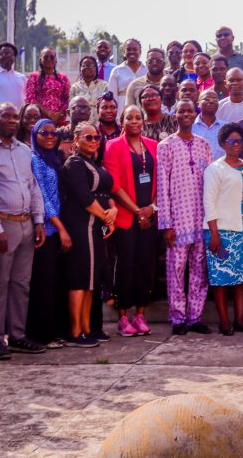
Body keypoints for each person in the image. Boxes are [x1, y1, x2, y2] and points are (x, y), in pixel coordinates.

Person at [0, 103, 46, 359]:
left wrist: (39, 220)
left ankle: (17, 335)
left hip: (26, 223)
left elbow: (33, 186)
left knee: (21, 284)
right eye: (6, 116)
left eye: (16, 117)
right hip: (2, 224)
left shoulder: (24, 150)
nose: (13, 121)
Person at [156, 100, 213, 335]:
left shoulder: (204, 145)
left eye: (190, 110)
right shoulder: (166, 145)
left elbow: (210, 183)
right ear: (176, 115)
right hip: (178, 220)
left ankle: (195, 317)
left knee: (200, 269)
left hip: (201, 217)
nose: (186, 114)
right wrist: (166, 224)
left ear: (195, 113)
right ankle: (178, 318)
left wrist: (212, 220)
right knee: (176, 270)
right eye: (182, 111)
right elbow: (162, 186)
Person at [58, 122, 117, 347]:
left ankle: (86, 328)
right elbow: (85, 198)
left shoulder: (94, 163)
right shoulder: (74, 164)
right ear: (76, 139)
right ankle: (75, 332)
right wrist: (106, 217)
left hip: (95, 226)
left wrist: (112, 211)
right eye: (88, 137)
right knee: (79, 279)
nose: (93, 141)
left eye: (96, 138)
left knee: (91, 280)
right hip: (80, 226)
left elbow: (106, 193)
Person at [103, 106, 159, 338]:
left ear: (143, 121)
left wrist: (151, 208)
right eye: (129, 118)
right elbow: (114, 185)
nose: (134, 121)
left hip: (149, 216)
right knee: (125, 265)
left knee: (145, 265)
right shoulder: (113, 146)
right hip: (127, 217)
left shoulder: (153, 146)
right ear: (121, 121)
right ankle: (123, 317)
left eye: (138, 118)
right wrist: (137, 212)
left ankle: (141, 315)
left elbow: (161, 181)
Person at [203, 124, 243, 336]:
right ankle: (224, 322)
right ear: (222, 144)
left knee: (241, 277)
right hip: (222, 231)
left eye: (239, 141)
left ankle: (240, 320)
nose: (236, 145)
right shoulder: (215, 169)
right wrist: (214, 234)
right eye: (231, 141)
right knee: (221, 278)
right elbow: (209, 202)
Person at [26, 119, 70, 347]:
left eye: (54, 133)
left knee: (55, 282)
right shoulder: (35, 160)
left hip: (58, 227)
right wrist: (61, 228)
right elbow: (42, 196)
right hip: (46, 228)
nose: (50, 137)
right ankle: (41, 334)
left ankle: (55, 330)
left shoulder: (53, 159)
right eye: (44, 133)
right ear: (35, 135)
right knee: (43, 282)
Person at [25, 48, 71, 125]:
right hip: (40, 119)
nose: (49, 59)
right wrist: (48, 113)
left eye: (52, 57)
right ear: (40, 60)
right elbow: (31, 99)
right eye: (46, 57)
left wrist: (58, 114)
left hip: (60, 119)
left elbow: (68, 98)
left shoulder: (63, 78)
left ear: (56, 60)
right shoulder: (34, 77)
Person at [70, 55, 110, 122]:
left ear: (96, 68)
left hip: (99, 121)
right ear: (80, 69)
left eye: (90, 65)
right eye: (84, 66)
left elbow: (107, 105)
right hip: (80, 122)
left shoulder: (104, 85)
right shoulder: (75, 87)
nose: (87, 68)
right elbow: (71, 107)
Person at [0, 41, 27, 109]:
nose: (7, 56)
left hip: (18, 115)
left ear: (14, 57)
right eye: (4, 53)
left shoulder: (22, 77)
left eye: (10, 54)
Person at [193, 90, 224, 160]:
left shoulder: (226, 127)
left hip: (219, 167)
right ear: (198, 104)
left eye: (215, 100)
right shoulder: (190, 127)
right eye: (207, 99)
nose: (211, 101)